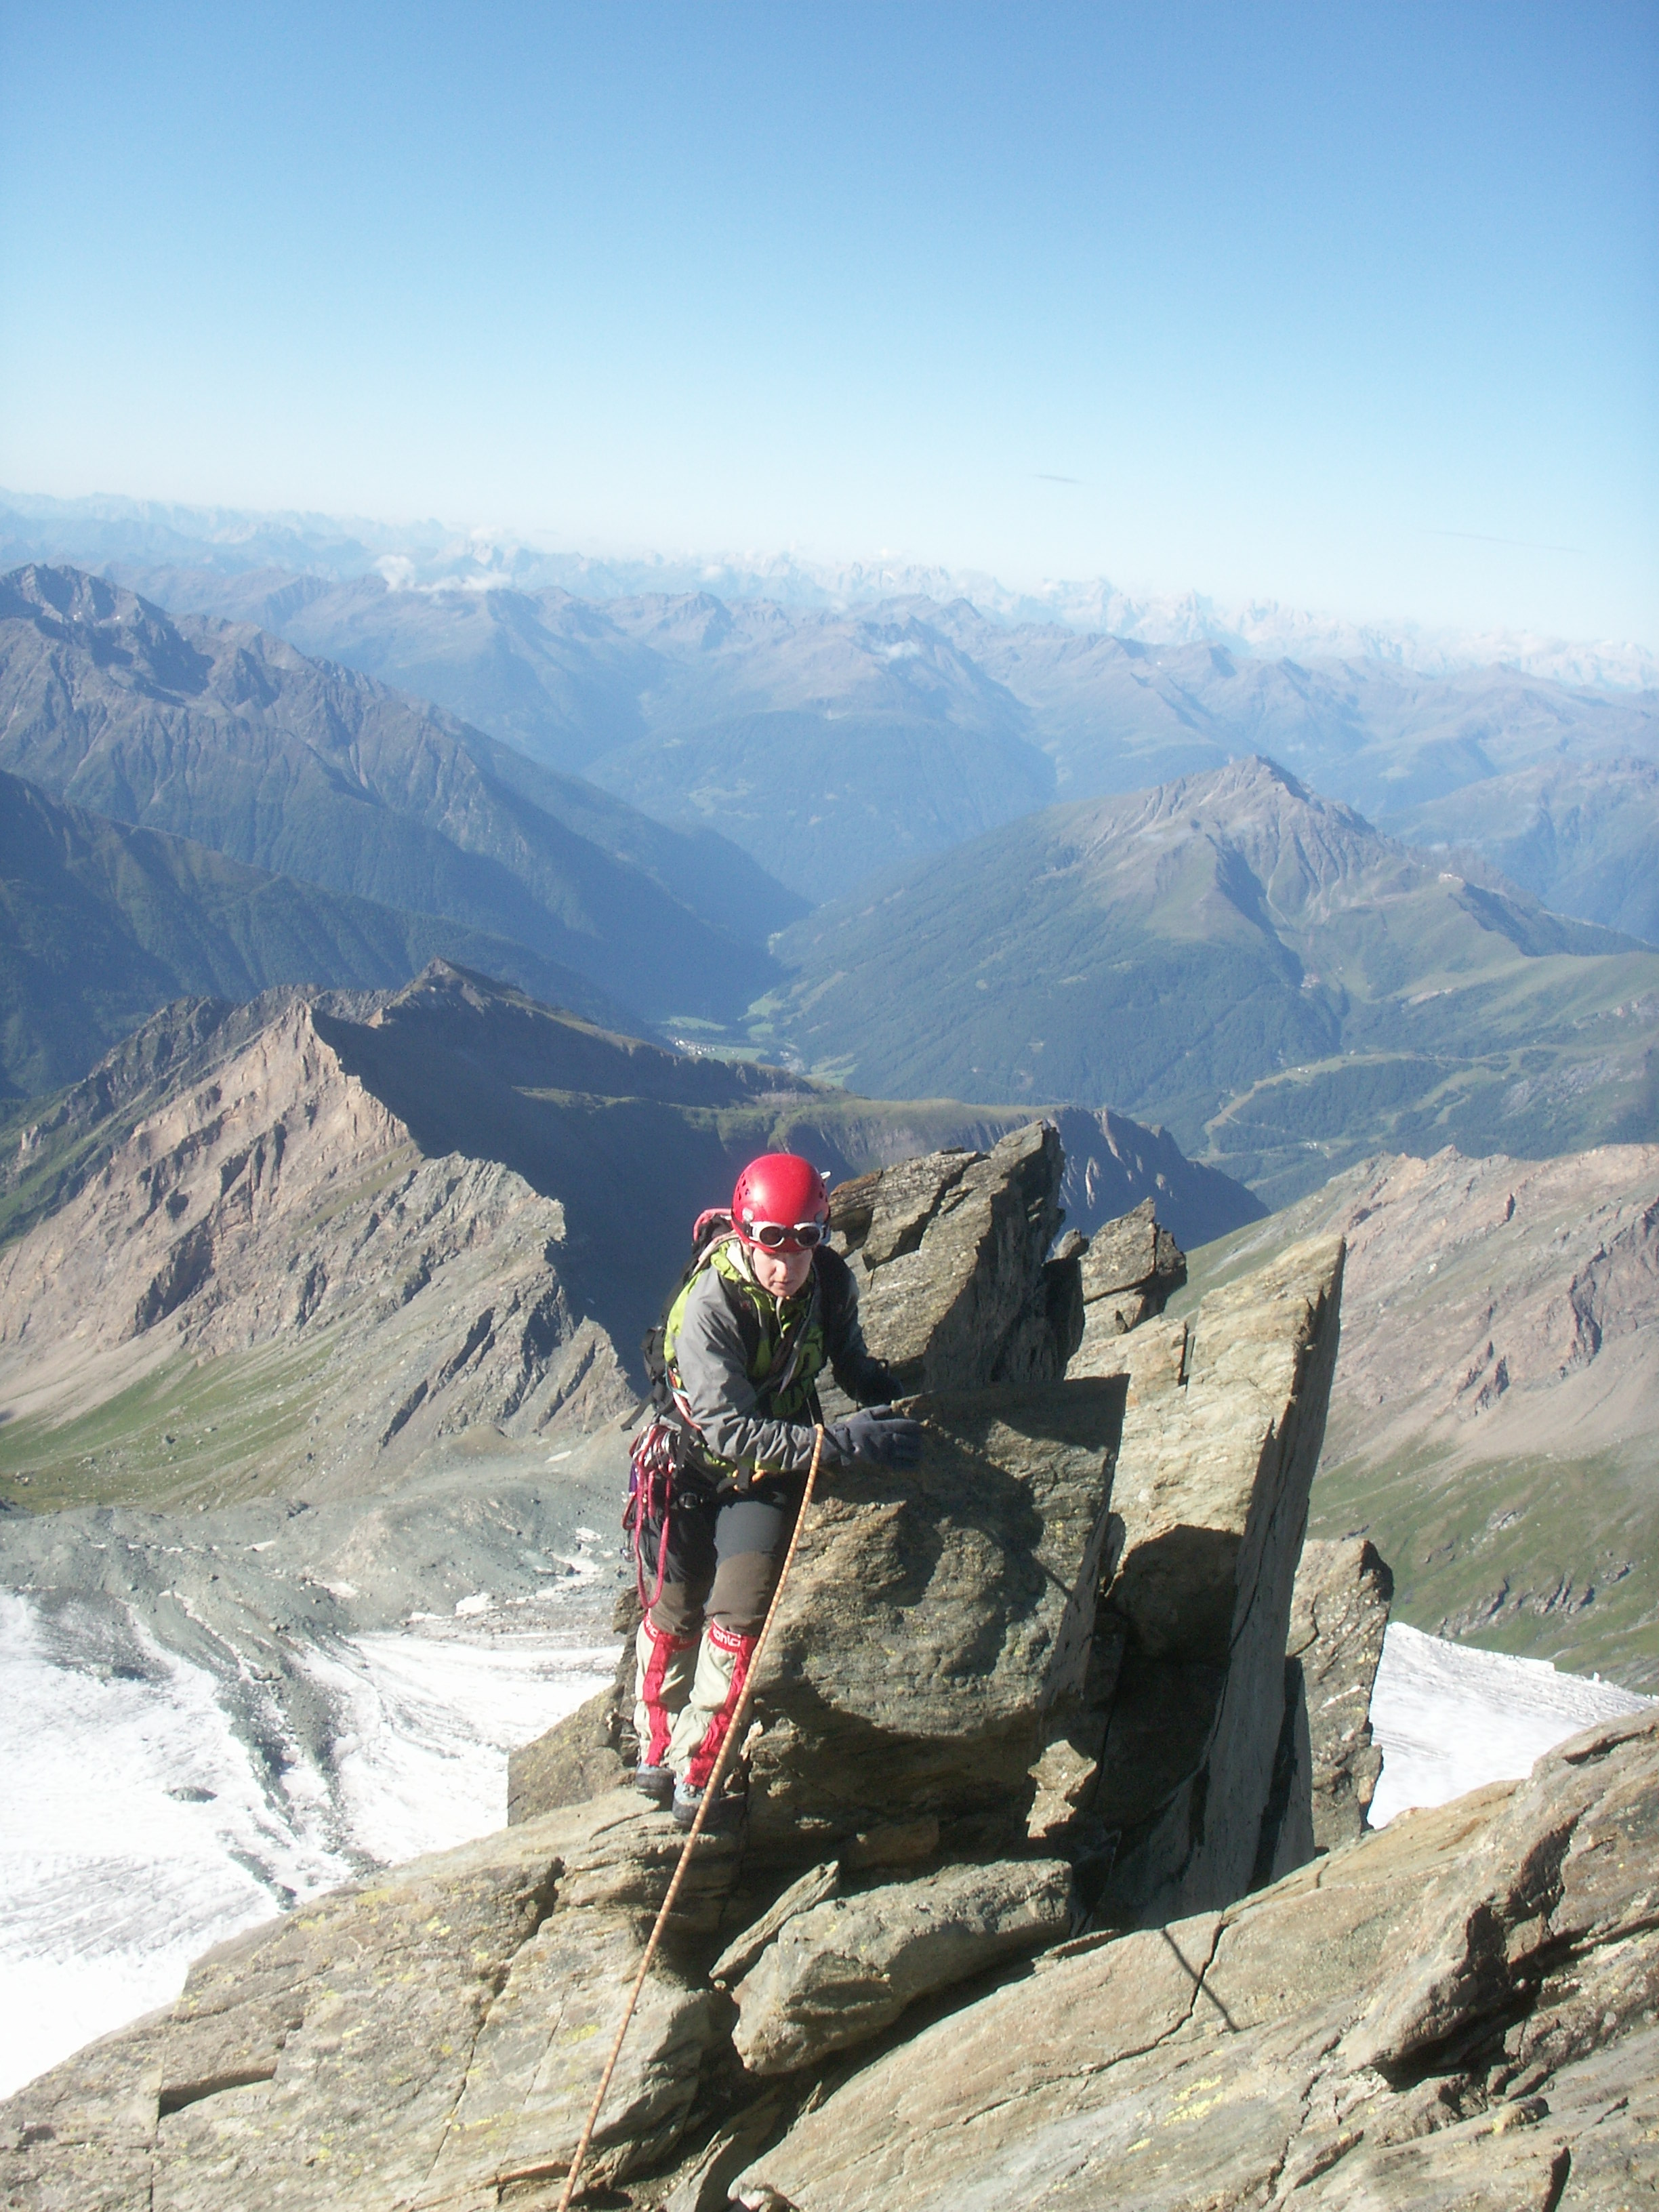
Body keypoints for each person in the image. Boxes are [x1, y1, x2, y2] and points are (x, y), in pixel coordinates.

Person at [628, 1151, 924, 1828]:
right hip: (694, 1467)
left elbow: (847, 1359)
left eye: (805, 1243)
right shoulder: (711, 1306)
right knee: (675, 1612)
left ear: (821, 1236)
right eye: (771, 1244)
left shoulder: (829, 1285)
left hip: (764, 1477)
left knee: (737, 1617)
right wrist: (838, 1444)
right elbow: (730, 1431)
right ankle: (657, 1748)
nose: (787, 1264)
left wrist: (882, 1393)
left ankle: (699, 1768)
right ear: (745, 1234)